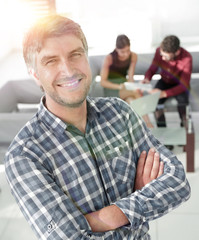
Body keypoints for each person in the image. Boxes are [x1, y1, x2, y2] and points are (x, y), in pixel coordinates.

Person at [4, 15, 190, 240]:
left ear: (86, 56)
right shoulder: (25, 156)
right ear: (34, 74)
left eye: (75, 55)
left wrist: (111, 215)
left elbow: (178, 181)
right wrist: (139, 199)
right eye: (50, 61)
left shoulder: (119, 113)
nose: (68, 70)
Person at [100, 34, 153, 128]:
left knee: (131, 101)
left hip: (125, 86)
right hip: (112, 87)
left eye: (128, 50)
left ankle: (138, 130)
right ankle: (148, 125)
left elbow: (130, 77)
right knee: (137, 94)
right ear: (116, 49)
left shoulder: (133, 56)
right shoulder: (109, 58)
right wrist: (120, 86)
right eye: (122, 52)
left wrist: (132, 86)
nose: (126, 54)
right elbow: (103, 82)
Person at [143, 35, 192, 128]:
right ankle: (163, 132)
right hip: (164, 81)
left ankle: (184, 131)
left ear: (176, 52)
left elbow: (183, 85)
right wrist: (147, 78)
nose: (162, 58)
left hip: (179, 86)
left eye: (165, 56)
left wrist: (164, 93)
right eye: (162, 55)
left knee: (183, 104)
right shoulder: (159, 51)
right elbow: (153, 68)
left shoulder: (187, 58)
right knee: (155, 102)